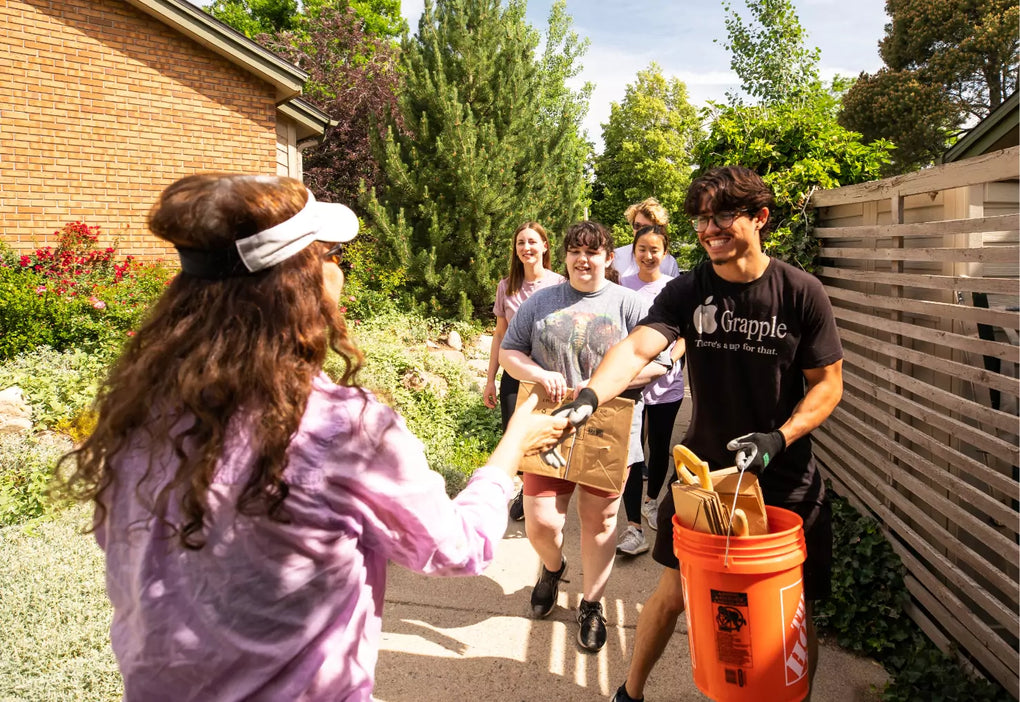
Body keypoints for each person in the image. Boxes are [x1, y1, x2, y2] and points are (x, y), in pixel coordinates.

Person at [59, 173, 568, 702]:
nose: (338, 271)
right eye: (330, 256)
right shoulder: (340, 429)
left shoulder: (137, 416)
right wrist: (512, 447)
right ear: (298, 284)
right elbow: (454, 548)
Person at [551, 167, 843, 701]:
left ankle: (794, 695)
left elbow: (827, 386)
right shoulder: (689, 291)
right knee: (673, 592)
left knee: (793, 606)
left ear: (760, 218)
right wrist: (592, 396)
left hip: (786, 478)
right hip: (704, 478)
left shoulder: (802, 292)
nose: (710, 229)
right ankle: (630, 693)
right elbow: (639, 346)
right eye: (702, 219)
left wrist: (779, 437)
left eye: (724, 216)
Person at [499, 220, 669, 653]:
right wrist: (537, 372)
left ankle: (591, 605)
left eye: (593, 252)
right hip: (549, 426)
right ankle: (552, 568)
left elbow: (662, 362)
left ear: (609, 258)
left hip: (609, 429)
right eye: (576, 250)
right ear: (567, 256)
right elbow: (509, 352)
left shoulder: (629, 304)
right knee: (540, 521)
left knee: (601, 523)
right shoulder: (541, 301)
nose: (583, 259)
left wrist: (606, 382)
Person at [483, 222, 565, 521]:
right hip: (515, 374)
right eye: (520, 242)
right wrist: (490, 379)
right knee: (514, 438)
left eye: (532, 241)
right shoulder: (507, 286)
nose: (526, 248)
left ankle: (537, 497)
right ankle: (525, 491)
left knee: (544, 437)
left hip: (550, 375)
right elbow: (499, 335)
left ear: (545, 245)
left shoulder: (560, 284)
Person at [615, 224, 686, 557]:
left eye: (654, 249)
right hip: (631, 383)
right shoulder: (620, 285)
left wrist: (669, 361)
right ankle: (633, 527)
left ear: (665, 252)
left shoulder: (676, 288)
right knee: (632, 448)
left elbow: (686, 334)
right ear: (634, 251)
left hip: (668, 384)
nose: (647, 255)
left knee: (659, 448)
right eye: (641, 248)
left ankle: (652, 501)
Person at [613, 197, 680, 278]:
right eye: (637, 226)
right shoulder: (617, 256)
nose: (640, 231)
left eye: (645, 228)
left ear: (658, 229)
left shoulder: (669, 263)